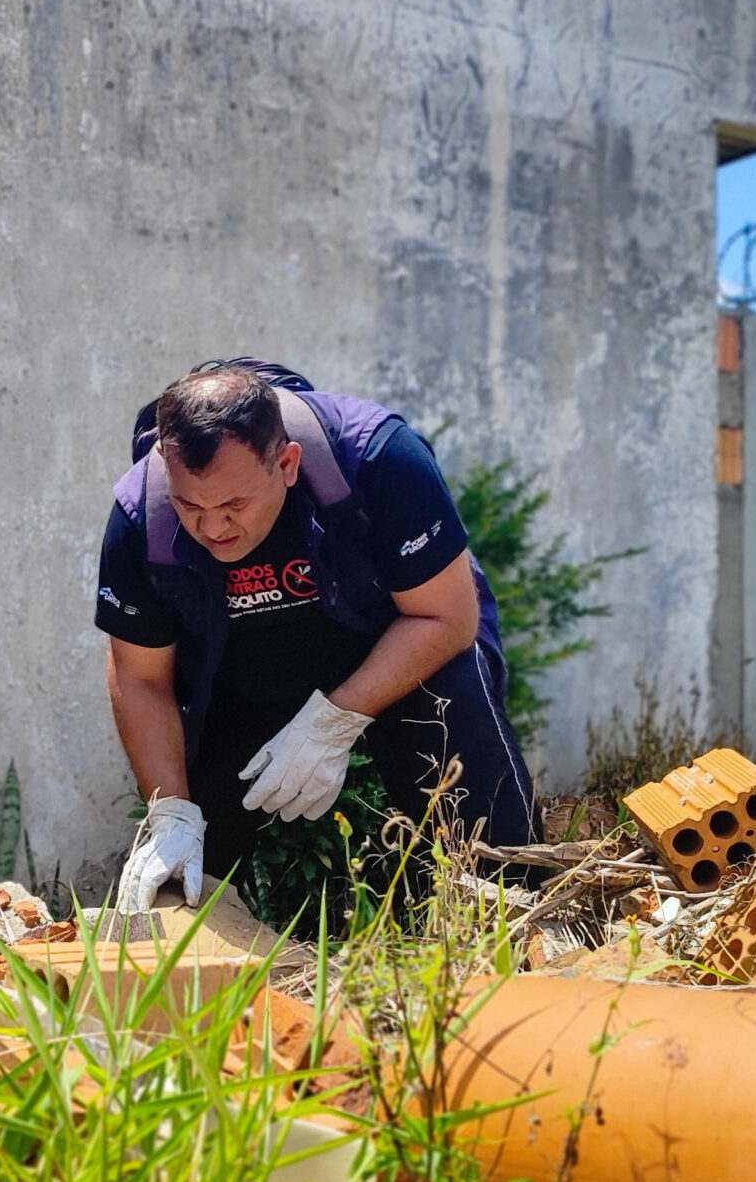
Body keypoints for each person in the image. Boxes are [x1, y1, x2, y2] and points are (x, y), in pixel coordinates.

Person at [94, 360, 536, 913]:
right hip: (239, 666)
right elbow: (140, 676)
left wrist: (334, 721)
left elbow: (445, 617)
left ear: (287, 463)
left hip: (397, 639)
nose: (213, 528)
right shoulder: (141, 515)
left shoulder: (378, 459)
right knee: (185, 859)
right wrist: (171, 812)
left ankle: (515, 925)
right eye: (191, 506)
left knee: (466, 775)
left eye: (234, 504)